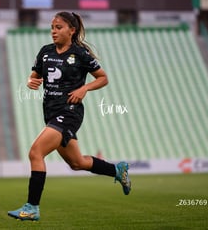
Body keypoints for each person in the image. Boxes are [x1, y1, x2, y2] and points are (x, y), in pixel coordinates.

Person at [8, 11, 131, 221]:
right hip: (51, 113)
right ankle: (117, 171)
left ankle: (32, 207)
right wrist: (30, 82)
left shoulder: (80, 53)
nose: (53, 32)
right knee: (77, 163)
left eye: (59, 27)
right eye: (52, 28)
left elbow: (103, 78)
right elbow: (34, 77)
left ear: (71, 30)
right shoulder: (45, 52)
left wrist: (84, 89)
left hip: (70, 112)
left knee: (35, 152)